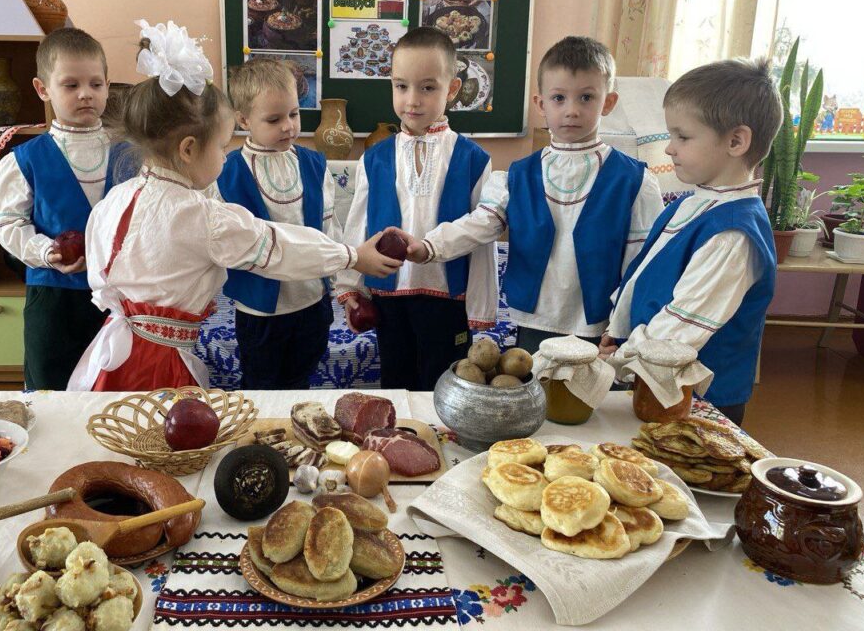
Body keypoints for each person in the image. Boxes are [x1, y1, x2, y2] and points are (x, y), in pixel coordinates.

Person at [67, 20, 401, 392]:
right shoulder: (199, 215)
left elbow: (101, 275)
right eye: (220, 146)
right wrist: (352, 256)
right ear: (189, 149)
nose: (225, 159)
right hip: (158, 365)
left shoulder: (118, 197)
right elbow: (274, 246)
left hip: (114, 352)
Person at [398, 36, 662, 354]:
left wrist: (624, 327)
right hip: (534, 320)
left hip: (601, 326)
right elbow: (480, 223)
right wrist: (429, 246)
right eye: (559, 98)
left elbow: (643, 263)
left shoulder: (635, 180)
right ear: (541, 104)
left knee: (593, 403)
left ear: (608, 102)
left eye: (587, 98)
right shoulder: (516, 176)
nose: (572, 111)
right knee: (535, 399)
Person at [602, 58, 783, 425]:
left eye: (682, 137)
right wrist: (616, 333)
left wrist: (617, 364)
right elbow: (643, 277)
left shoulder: (733, 234)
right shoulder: (691, 203)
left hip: (695, 402)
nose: (669, 148)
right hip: (649, 374)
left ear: (736, 141)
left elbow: (680, 329)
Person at [336, 27, 498, 391]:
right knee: (396, 380)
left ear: (452, 90)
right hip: (389, 295)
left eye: (427, 87)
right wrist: (350, 287)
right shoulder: (374, 157)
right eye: (401, 86)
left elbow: (483, 233)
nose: (412, 99)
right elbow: (358, 222)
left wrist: (481, 305)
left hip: (447, 297)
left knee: (445, 383)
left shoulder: (473, 159)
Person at [0, 26, 129, 389]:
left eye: (96, 84)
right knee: (51, 390)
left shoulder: (130, 154)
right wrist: (46, 251)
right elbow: (10, 225)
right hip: (54, 298)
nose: (86, 94)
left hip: (120, 299)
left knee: (114, 388)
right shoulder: (23, 160)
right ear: (43, 89)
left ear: (107, 85)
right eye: (71, 85)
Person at [209, 58, 338, 389]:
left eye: (294, 114)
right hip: (260, 310)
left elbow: (329, 229)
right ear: (243, 119)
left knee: (300, 380)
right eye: (273, 119)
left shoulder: (314, 164)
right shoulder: (225, 173)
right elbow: (219, 243)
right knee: (262, 385)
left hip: (312, 302)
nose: (288, 126)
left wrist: (341, 283)